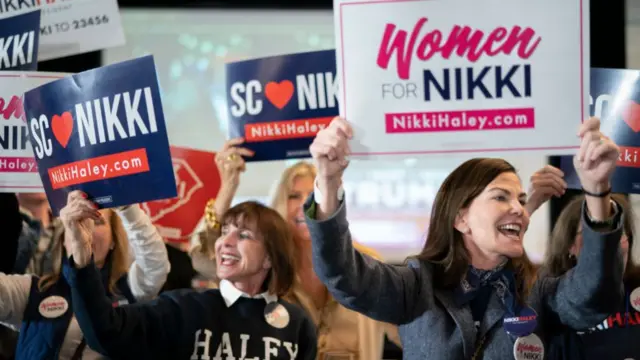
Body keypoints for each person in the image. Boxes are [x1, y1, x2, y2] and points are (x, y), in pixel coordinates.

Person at [304, 116, 625, 359]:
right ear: (460, 218)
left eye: (521, 200)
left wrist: (597, 191)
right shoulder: (417, 285)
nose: (519, 209)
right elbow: (344, 275)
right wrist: (328, 183)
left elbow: (593, 296)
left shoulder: (535, 291)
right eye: (501, 197)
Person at [191, 138, 401, 359]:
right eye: (294, 196)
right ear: (279, 203)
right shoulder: (262, 264)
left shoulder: (364, 264)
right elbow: (203, 260)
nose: (304, 204)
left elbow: (408, 326)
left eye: (313, 194)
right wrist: (228, 186)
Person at [63, 197, 317, 359]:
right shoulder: (183, 309)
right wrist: (82, 261)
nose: (224, 243)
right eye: (225, 231)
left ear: (270, 258)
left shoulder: (298, 325)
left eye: (243, 235)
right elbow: (106, 333)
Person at [0, 192, 170, 359]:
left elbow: (155, 265)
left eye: (97, 221)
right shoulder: (33, 291)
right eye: (76, 221)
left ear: (113, 240)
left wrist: (127, 208)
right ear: (64, 240)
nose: (85, 230)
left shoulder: (130, 290)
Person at [523, 165, 640, 360]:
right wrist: (527, 209)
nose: (610, 245)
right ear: (570, 246)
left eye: (618, 233)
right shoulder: (549, 297)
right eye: (592, 235)